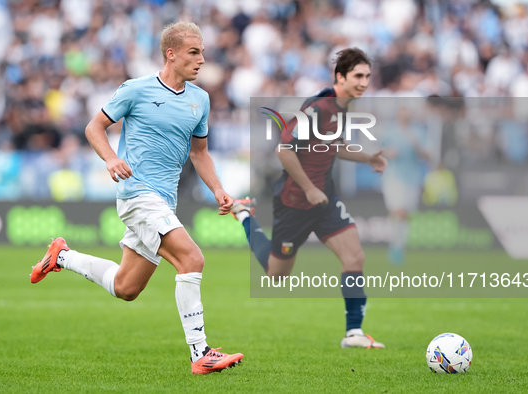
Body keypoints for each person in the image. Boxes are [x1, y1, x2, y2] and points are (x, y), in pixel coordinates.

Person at [30, 22, 243, 374]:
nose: (202, 59)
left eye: (203, 52)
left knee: (126, 287)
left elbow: (200, 153)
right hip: (137, 195)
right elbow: (93, 127)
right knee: (192, 259)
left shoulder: (200, 100)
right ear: (170, 54)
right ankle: (200, 353)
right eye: (194, 52)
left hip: (163, 201)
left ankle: (62, 256)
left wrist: (218, 189)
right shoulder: (136, 89)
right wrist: (112, 158)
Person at [232, 48, 388, 349]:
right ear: (340, 77)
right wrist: (308, 188)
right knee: (276, 274)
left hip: (324, 198)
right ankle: (245, 215)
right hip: (296, 201)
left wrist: (369, 157)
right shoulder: (319, 108)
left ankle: (353, 333)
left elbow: (335, 146)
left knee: (354, 256)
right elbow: (284, 149)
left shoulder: (342, 108)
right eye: (358, 75)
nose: (364, 81)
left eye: (367, 76)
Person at [380, 107, 431, 264]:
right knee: (399, 211)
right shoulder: (390, 132)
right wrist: (387, 153)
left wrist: (417, 147)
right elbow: (377, 150)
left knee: (405, 216)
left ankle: (398, 246)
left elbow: (428, 154)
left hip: (412, 178)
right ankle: (395, 248)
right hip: (393, 177)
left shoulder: (418, 133)